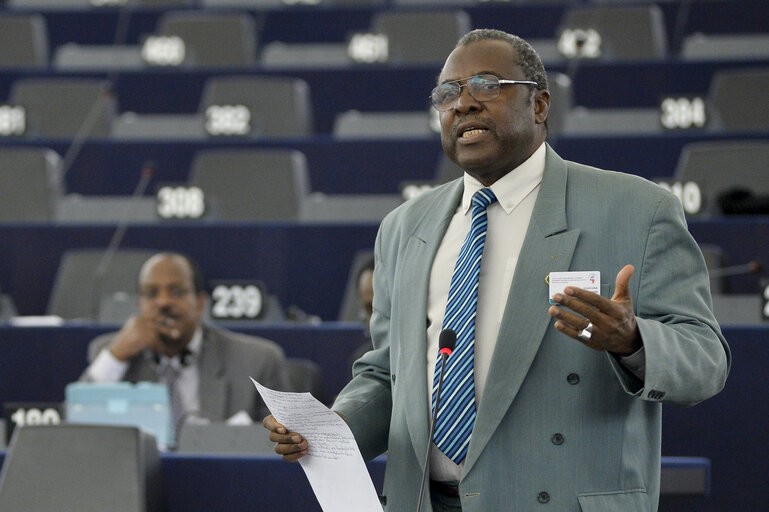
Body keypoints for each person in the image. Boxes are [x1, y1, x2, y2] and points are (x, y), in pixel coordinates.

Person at [264, 29, 730, 511]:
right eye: (447, 93)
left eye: (487, 85)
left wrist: (632, 341)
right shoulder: (404, 228)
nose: (463, 103)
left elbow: (706, 361)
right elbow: (389, 375)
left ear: (540, 105)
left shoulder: (637, 209)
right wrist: (327, 432)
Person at [82, 252, 292, 434]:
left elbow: (284, 444)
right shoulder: (112, 352)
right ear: (139, 304)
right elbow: (78, 423)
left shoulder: (255, 360)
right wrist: (116, 356)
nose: (163, 302)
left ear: (200, 303)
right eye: (151, 293)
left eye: (176, 292)